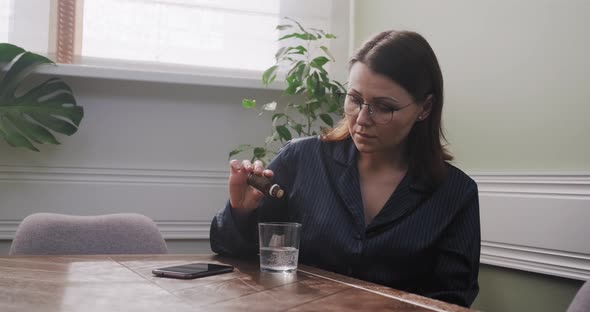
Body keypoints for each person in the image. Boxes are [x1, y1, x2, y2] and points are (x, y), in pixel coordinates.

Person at [210, 30, 480, 307]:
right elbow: (229, 250)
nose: (362, 119)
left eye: (384, 107)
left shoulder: (457, 194)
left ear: (425, 107)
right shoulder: (300, 159)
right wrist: (241, 212)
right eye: (354, 99)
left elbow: (451, 302)